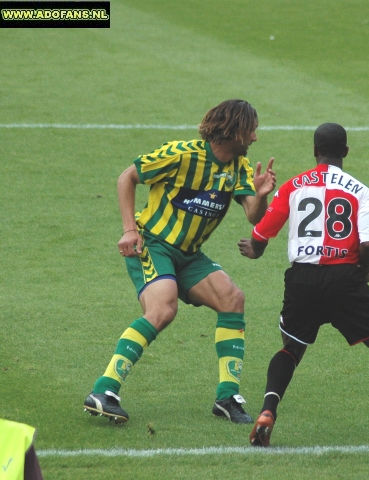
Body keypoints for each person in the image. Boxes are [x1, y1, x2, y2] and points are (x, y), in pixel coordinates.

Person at [237, 123, 369, 455]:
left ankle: (268, 410)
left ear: (314, 152)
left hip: (302, 280)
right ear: (346, 152)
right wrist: (362, 273)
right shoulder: (361, 191)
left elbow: (260, 239)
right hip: (344, 281)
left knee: (291, 349)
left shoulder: (294, 186)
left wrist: (255, 248)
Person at [84, 99, 276, 425]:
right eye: (251, 130)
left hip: (189, 255)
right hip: (154, 245)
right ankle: (103, 391)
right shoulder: (182, 154)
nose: (255, 138)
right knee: (162, 309)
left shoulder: (238, 168)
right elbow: (126, 178)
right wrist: (129, 230)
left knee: (233, 299)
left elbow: (252, 216)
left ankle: (227, 397)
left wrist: (261, 195)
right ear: (234, 130)